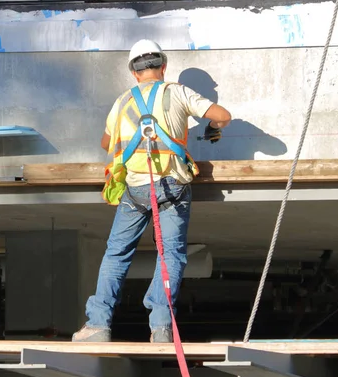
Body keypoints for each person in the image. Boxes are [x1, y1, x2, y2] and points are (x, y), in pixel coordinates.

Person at [72, 39, 231, 343]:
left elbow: (107, 143)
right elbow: (222, 115)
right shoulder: (177, 92)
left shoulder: (121, 102)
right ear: (164, 67)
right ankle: (160, 327)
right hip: (171, 186)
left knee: (117, 254)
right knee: (170, 254)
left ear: (134, 73)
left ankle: (98, 325)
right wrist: (209, 128)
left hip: (135, 189)